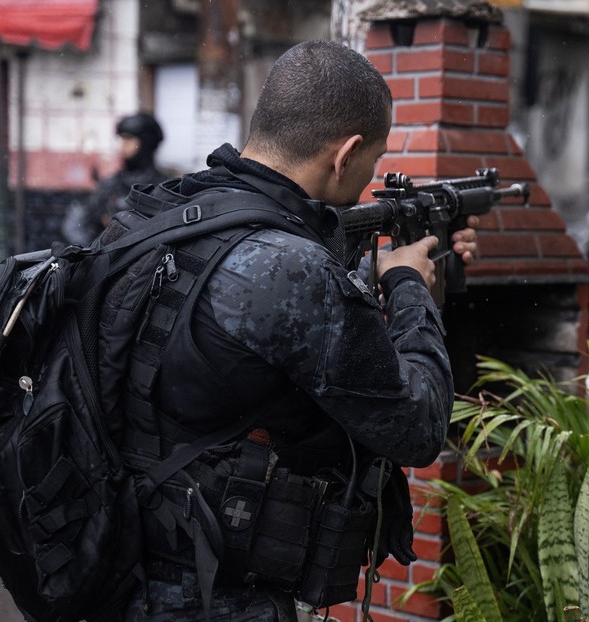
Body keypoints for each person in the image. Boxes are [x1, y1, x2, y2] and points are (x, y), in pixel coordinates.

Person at [112, 40, 479, 621]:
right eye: (374, 161)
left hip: (121, 562)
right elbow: (418, 427)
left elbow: (255, 330)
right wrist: (409, 285)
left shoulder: (164, 214)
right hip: (218, 597)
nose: (370, 178)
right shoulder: (291, 267)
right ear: (346, 153)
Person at [62, 112, 169, 245]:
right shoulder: (111, 185)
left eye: (129, 139)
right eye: (122, 139)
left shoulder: (164, 186)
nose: (123, 146)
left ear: (146, 142)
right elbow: (77, 226)